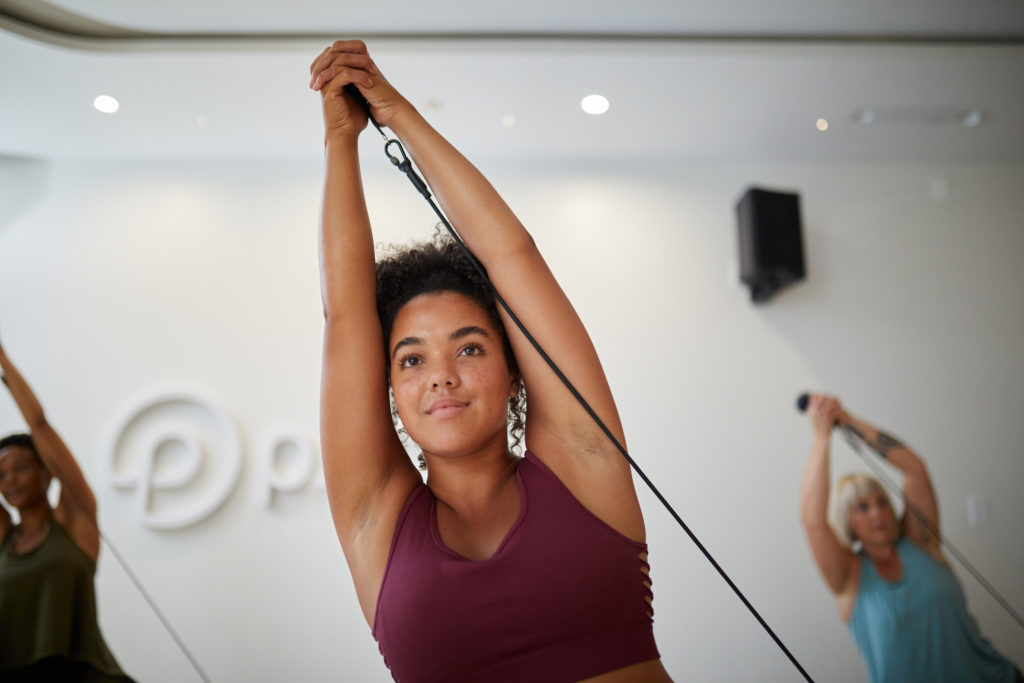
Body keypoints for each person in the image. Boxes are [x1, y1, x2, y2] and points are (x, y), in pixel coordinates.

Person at [309, 40, 669, 682]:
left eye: (468, 347)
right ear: (388, 388)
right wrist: (340, 141)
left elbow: (513, 257)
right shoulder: (375, 516)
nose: (441, 374)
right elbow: (347, 316)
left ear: (514, 372)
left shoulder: (581, 461)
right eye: (411, 360)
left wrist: (398, 114)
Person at [799, 393, 1021, 683]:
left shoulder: (921, 544)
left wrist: (847, 420)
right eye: (862, 508)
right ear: (847, 522)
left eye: (881, 502)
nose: (878, 513)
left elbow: (915, 469)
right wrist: (821, 437)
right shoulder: (849, 578)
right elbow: (814, 524)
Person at [0, 336, 133, 682]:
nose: (10, 480)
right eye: (1, 474)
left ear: (46, 472)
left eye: (22, 468)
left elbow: (39, 426)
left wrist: (2, 358)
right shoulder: (4, 538)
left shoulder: (75, 521)